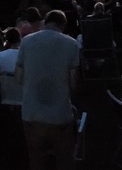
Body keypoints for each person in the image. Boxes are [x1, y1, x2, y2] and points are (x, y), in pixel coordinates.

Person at [15, 10, 80, 170]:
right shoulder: (72, 44)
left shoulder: (26, 41)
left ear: (46, 21)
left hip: (31, 112)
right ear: (62, 25)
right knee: (64, 159)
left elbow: (18, 78)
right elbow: (73, 83)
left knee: (36, 159)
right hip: (59, 114)